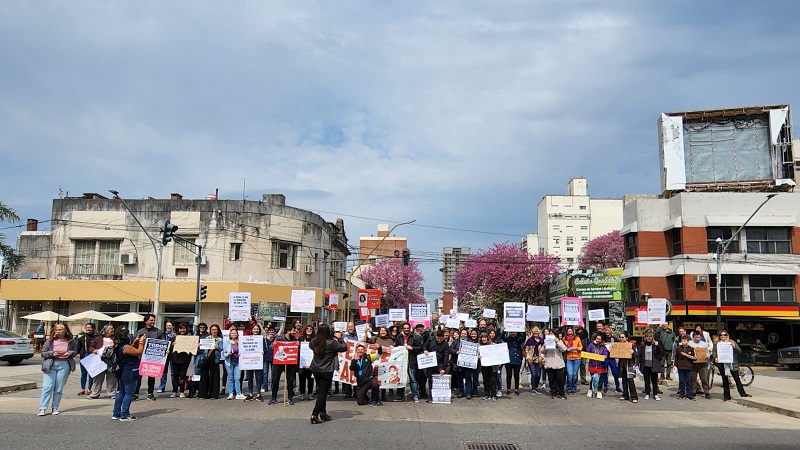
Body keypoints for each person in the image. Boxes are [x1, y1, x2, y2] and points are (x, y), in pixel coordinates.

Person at [309, 324, 347, 424]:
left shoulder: (314, 341)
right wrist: (340, 338)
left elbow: (310, 346)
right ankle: (315, 414)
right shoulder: (331, 343)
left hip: (315, 368)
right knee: (323, 393)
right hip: (326, 370)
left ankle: (323, 413)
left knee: (321, 390)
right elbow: (344, 347)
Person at [38, 324, 77, 416]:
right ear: (54, 331)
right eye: (57, 329)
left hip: (64, 365)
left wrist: (69, 353)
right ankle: (42, 408)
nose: (59, 331)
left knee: (58, 388)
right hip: (51, 364)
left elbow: (75, 351)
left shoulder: (71, 341)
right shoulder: (50, 341)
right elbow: (43, 353)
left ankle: (55, 408)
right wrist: (52, 353)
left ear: (65, 331)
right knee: (47, 387)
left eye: (61, 329)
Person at [112, 326, 144, 421]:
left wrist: (135, 342)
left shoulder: (118, 345)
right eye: (128, 334)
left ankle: (116, 413)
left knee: (121, 392)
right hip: (129, 371)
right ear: (125, 336)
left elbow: (130, 349)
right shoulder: (125, 347)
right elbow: (139, 352)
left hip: (121, 371)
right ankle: (125, 414)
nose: (130, 335)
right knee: (129, 393)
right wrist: (141, 342)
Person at [713, 331, 751, 401]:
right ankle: (726, 396)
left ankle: (743, 394)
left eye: (724, 335)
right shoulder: (717, 344)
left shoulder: (731, 342)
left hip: (732, 364)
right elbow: (714, 352)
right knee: (725, 380)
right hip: (722, 364)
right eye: (721, 335)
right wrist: (715, 357)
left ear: (727, 335)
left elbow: (739, 351)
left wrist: (734, 346)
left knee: (737, 379)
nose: (723, 336)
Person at [135, 314, 164, 401]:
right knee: (139, 375)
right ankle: (135, 393)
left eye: (154, 320)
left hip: (153, 357)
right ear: (146, 321)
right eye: (151, 320)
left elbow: (163, 343)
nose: (153, 322)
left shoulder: (158, 332)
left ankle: (150, 393)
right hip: (141, 356)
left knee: (152, 376)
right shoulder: (140, 332)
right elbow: (135, 344)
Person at [393, 322, 423, 403]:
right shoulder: (399, 337)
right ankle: (400, 395)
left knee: (413, 379)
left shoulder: (415, 337)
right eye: (404, 328)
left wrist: (412, 348)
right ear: (402, 329)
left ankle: (415, 395)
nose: (406, 329)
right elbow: (395, 348)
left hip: (411, 361)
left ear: (410, 328)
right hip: (401, 361)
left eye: (407, 328)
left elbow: (420, 348)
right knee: (400, 378)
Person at [423, 330, 454, 402]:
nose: (439, 340)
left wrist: (443, 368)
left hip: (440, 363)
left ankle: (440, 395)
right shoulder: (431, 339)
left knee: (440, 379)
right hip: (431, 362)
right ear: (435, 337)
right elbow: (424, 346)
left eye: (441, 338)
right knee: (430, 380)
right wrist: (425, 350)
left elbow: (446, 357)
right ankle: (431, 396)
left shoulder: (445, 344)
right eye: (438, 338)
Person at [270, 326, 299, 405]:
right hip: (278, 363)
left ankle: (290, 398)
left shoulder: (294, 339)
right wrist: (274, 344)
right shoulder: (279, 338)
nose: (295, 331)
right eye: (293, 330)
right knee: (275, 380)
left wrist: (298, 345)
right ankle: (273, 398)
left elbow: (297, 350)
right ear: (288, 331)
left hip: (289, 364)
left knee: (290, 381)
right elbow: (271, 347)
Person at [87, 324, 117, 399]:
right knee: (98, 378)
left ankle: (111, 393)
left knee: (111, 378)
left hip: (111, 361)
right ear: (106, 330)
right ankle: (95, 393)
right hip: (100, 361)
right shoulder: (99, 339)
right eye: (111, 329)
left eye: (113, 329)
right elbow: (90, 347)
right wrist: (93, 350)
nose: (112, 330)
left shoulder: (115, 339)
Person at [539, 329, 567, 400]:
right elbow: (542, 351)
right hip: (549, 363)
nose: (551, 335)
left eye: (552, 334)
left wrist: (557, 342)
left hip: (558, 364)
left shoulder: (559, 341)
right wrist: (544, 347)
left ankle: (561, 393)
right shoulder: (546, 341)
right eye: (550, 334)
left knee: (560, 380)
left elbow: (564, 349)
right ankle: (553, 393)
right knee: (551, 380)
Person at [198, 323, 222, 399]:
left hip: (215, 358)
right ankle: (203, 394)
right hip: (206, 358)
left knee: (214, 376)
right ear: (210, 331)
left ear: (218, 330)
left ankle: (213, 394)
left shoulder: (220, 339)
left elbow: (222, 349)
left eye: (215, 329)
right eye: (212, 330)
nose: (214, 331)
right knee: (204, 375)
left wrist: (218, 347)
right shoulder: (206, 338)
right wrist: (199, 345)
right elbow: (202, 348)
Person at [168, 323, 192, 398]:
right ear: (178, 329)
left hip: (185, 359)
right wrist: (172, 345)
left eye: (184, 328)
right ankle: (174, 391)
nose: (182, 330)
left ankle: (182, 391)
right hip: (175, 358)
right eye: (181, 328)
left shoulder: (190, 336)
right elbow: (169, 347)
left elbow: (192, 347)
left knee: (182, 375)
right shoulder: (175, 336)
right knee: (175, 375)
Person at [637, 330, 663, 401]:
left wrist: (658, 346)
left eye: (650, 336)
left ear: (652, 337)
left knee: (654, 380)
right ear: (645, 337)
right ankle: (647, 393)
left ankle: (655, 394)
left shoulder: (655, 344)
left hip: (654, 364)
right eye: (647, 336)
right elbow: (639, 355)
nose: (648, 338)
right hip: (645, 365)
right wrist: (637, 364)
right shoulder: (642, 345)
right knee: (647, 380)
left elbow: (661, 353)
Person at [244, 324, 265, 401]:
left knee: (258, 378)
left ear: (259, 330)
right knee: (250, 378)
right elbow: (244, 348)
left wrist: (263, 352)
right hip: (249, 361)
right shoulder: (247, 338)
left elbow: (265, 349)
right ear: (251, 330)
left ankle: (259, 394)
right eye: (254, 329)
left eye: (257, 329)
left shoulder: (262, 339)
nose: (255, 330)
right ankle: (250, 393)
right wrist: (241, 353)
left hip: (258, 361)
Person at [223, 328, 246, 400]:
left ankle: (238, 393)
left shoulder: (241, 342)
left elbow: (244, 350)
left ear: (237, 334)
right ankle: (231, 393)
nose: (233, 334)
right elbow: (223, 353)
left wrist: (241, 353)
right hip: (229, 362)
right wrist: (227, 354)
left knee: (237, 378)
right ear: (230, 334)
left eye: (235, 333)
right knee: (230, 377)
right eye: (232, 333)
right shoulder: (227, 342)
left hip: (238, 362)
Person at [615, 332, 638, 403]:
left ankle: (634, 396)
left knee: (630, 380)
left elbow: (637, 354)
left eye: (623, 337)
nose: (621, 339)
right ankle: (625, 395)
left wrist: (633, 352)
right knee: (624, 380)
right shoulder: (618, 345)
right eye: (620, 337)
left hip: (630, 365)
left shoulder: (631, 345)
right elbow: (615, 353)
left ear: (626, 338)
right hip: (622, 366)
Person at [76, 322, 98, 395]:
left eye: (89, 327)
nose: (88, 329)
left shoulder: (97, 338)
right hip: (83, 357)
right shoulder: (82, 338)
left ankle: (89, 388)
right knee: (83, 374)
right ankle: (82, 388)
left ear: (93, 328)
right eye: (87, 327)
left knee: (91, 374)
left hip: (92, 358)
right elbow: (78, 348)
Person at [688, 332, 711, 399]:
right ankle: (693, 391)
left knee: (704, 378)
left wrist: (707, 356)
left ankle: (706, 392)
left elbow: (708, 352)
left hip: (703, 363)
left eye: (699, 337)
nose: (697, 339)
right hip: (693, 363)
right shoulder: (690, 343)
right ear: (693, 337)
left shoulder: (704, 344)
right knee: (693, 378)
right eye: (696, 337)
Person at [586, 333, 609, 399]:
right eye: (597, 339)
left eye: (599, 339)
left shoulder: (604, 347)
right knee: (593, 378)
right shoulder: (591, 345)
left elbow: (606, 353)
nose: (598, 340)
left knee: (601, 379)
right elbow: (588, 352)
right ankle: (590, 389)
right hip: (592, 365)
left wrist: (605, 356)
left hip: (601, 366)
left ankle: (599, 391)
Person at [502, 330, 525, 396]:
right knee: (509, 375)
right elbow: (503, 337)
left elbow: (523, 338)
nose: (512, 333)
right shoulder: (508, 339)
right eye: (511, 332)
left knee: (516, 375)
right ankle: (508, 389)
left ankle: (516, 389)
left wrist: (523, 331)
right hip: (509, 359)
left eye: (514, 332)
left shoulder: (518, 339)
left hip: (517, 359)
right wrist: (504, 330)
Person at [674, 334, 696, 400]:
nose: (684, 342)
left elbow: (695, 358)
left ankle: (689, 394)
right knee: (681, 381)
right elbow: (676, 357)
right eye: (683, 341)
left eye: (685, 341)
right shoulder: (679, 348)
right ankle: (682, 394)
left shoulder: (691, 349)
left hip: (688, 367)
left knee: (688, 381)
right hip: (680, 367)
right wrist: (675, 365)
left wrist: (686, 355)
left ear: (688, 341)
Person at [297, 325, 316, 401]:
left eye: (311, 329)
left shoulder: (314, 339)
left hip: (311, 362)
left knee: (310, 379)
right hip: (302, 362)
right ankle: (302, 393)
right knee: (302, 379)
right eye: (307, 329)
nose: (309, 330)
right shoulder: (301, 339)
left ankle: (310, 393)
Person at [157, 321, 176, 394]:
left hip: (173, 354)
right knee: (163, 372)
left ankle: (174, 387)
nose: (168, 327)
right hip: (164, 354)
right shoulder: (162, 334)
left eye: (170, 325)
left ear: (173, 326)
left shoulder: (176, 335)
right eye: (167, 325)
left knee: (173, 372)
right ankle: (161, 387)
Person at [524, 327, 544, 395]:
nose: (536, 333)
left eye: (537, 332)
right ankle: (533, 389)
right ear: (532, 332)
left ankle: (536, 387)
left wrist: (541, 356)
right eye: (534, 332)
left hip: (539, 359)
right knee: (534, 373)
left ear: (539, 332)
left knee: (538, 375)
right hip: (531, 359)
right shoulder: (529, 340)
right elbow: (526, 350)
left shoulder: (542, 341)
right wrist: (528, 358)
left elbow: (544, 350)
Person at [562, 327, 582, 395]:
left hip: (577, 358)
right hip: (568, 358)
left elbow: (581, 346)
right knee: (570, 374)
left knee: (574, 374)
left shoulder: (577, 338)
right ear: (567, 332)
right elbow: (562, 347)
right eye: (569, 331)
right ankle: (568, 388)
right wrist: (566, 349)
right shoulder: (564, 339)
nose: (570, 333)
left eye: (571, 331)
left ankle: (574, 388)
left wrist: (578, 348)